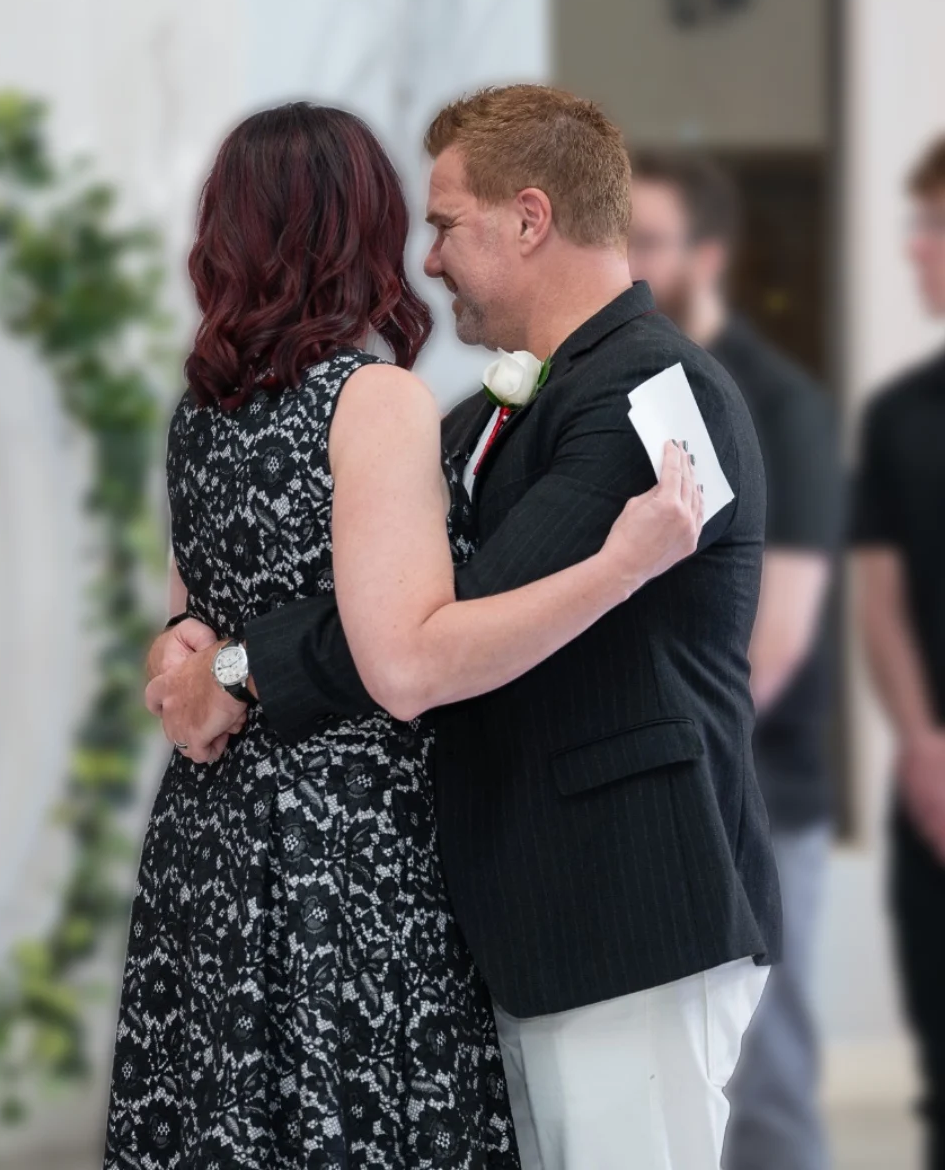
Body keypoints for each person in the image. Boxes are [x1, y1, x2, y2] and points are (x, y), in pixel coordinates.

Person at [146, 86, 780, 1170]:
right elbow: (369, 585)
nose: (427, 260)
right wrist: (196, 633)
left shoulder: (655, 395)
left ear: (530, 219)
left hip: (626, 908)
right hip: (527, 914)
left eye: (445, 225)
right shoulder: (492, 411)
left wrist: (241, 670)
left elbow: (447, 619)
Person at [628, 150, 843, 1170]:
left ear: (707, 256)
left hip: (754, 793)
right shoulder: (624, 389)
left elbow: (778, 638)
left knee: (763, 1086)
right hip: (654, 790)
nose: (625, 261)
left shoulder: (780, 406)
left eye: (648, 241)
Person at [853, 134, 945, 1170]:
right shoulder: (898, 418)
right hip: (934, 796)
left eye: (934, 228)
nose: (915, 249)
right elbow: (879, 600)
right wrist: (921, 746)